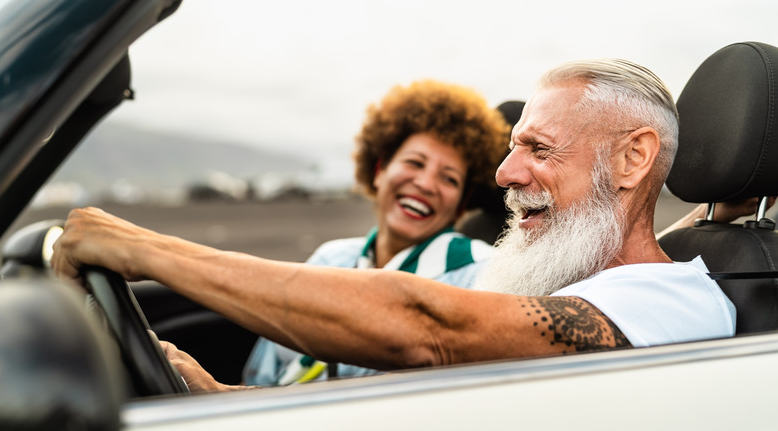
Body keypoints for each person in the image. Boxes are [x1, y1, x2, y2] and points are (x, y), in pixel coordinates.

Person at [51, 58, 737, 394]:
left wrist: (141, 247)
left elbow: (427, 330)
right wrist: (222, 399)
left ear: (632, 158)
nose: (502, 174)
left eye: (536, 148)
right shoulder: (552, 291)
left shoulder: (674, 300)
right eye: (509, 148)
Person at [242, 80, 509, 386]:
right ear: (380, 169)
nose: (425, 184)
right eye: (414, 162)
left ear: (461, 205)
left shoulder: (482, 275)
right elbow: (258, 380)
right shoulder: (329, 258)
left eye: (448, 178)